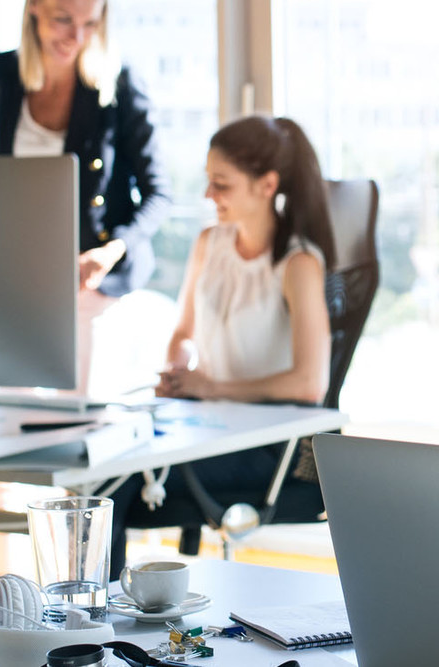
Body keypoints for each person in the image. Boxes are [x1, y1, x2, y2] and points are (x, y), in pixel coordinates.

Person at [105, 115, 335, 571]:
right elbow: (182, 334)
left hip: (270, 445)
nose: (209, 195)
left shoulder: (298, 264)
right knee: (100, 465)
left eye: (221, 184)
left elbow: (310, 384)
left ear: (266, 185)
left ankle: (88, 623)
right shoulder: (209, 243)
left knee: (110, 488)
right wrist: (178, 375)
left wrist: (211, 389)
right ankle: (88, 618)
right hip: (206, 427)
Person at [0, 0, 165, 394]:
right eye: (63, 20)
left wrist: (111, 250)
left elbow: (158, 194)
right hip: (28, 272)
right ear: (33, 8)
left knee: (78, 415)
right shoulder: (3, 73)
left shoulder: (119, 83)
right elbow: (4, 179)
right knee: (8, 409)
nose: (78, 37)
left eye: (91, 23)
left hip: (98, 274)